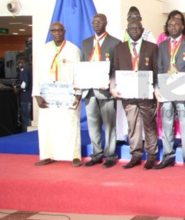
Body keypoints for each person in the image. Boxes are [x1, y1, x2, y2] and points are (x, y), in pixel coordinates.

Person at [110, 20, 159, 169]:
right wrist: (113, 86)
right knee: (132, 125)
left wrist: (155, 88)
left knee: (149, 124)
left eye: (138, 28)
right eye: (132, 28)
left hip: (146, 93)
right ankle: (136, 155)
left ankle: (151, 155)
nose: (135, 30)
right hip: (128, 94)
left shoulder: (152, 47)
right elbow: (115, 69)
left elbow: (156, 69)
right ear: (128, 30)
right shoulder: (120, 48)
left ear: (142, 29)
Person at [32, 22, 82, 167]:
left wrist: (78, 93)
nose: (57, 33)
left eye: (60, 30)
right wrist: (37, 95)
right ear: (51, 32)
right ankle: (48, 154)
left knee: (70, 124)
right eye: (54, 30)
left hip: (68, 94)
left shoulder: (73, 50)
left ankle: (74, 155)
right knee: (48, 125)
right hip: (48, 95)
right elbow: (38, 73)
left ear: (64, 31)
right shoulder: (44, 49)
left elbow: (78, 73)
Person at [155, 16, 185, 171]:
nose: (173, 27)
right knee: (167, 124)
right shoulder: (162, 45)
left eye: (176, 24)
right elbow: (159, 68)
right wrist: (157, 89)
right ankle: (167, 157)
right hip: (166, 89)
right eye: (170, 25)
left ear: (182, 27)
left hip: (184, 89)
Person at [81, 14, 121, 168]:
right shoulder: (85, 43)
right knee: (93, 124)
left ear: (106, 23)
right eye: (94, 22)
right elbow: (82, 66)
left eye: (99, 22)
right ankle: (96, 154)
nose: (96, 24)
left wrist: (111, 84)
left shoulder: (115, 43)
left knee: (109, 124)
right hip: (89, 90)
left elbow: (116, 68)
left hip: (106, 91)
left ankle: (110, 155)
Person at [115, 6, 157, 144]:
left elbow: (153, 61)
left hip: (143, 84)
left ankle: (145, 140)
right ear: (127, 20)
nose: (133, 19)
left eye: (136, 16)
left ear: (140, 19)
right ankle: (123, 136)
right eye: (130, 17)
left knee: (146, 118)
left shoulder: (148, 34)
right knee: (127, 116)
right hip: (126, 85)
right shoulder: (120, 34)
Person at [14, 54, 33, 133]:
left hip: (25, 99)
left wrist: (17, 89)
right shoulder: (32, 68)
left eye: (18, 63)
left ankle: (25, 136)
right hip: (32, 99)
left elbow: (24, 85)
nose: (18, 65)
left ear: (22, 62)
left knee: (26, 121)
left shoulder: (24, 70)